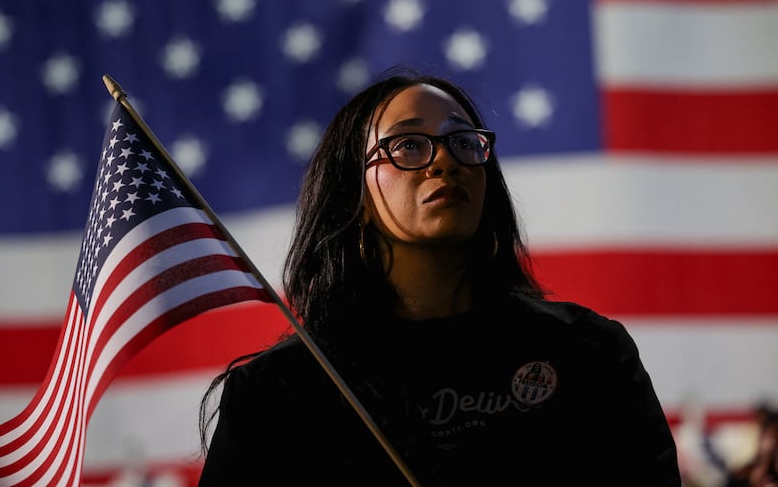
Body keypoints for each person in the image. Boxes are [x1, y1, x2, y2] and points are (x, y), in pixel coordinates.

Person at [198, 67, 681, 486]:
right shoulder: (280, 393)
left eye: (463, 141)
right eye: (408, 144)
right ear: (353, 197)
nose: (446, 160)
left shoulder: (589, 351)